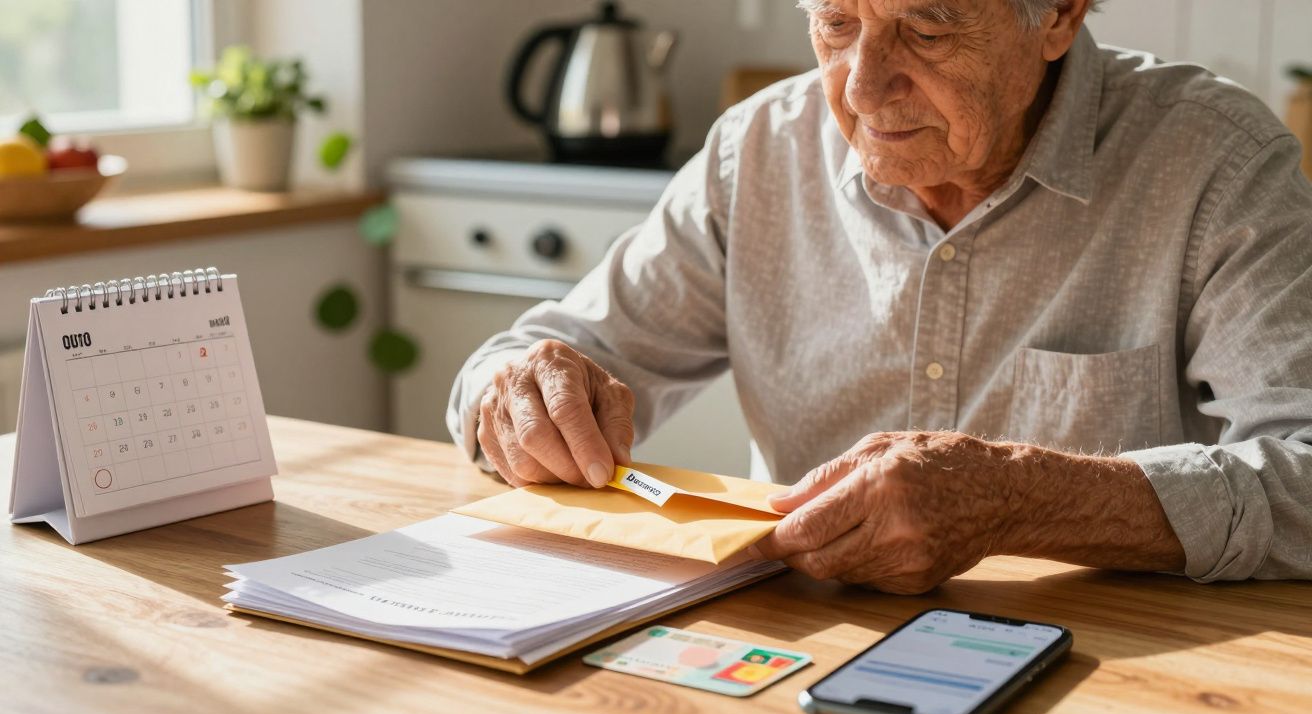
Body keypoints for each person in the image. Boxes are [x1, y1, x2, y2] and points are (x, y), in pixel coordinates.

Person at [448, 0, 1312, 592]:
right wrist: (517, 391)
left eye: (927, 29)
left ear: (1057, 13)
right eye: (836, 22)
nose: (861, 88)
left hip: (1109, 669)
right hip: (790, 663)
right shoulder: (757, 149)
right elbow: (534, 356)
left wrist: (1021, 496)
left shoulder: (1218, 164)